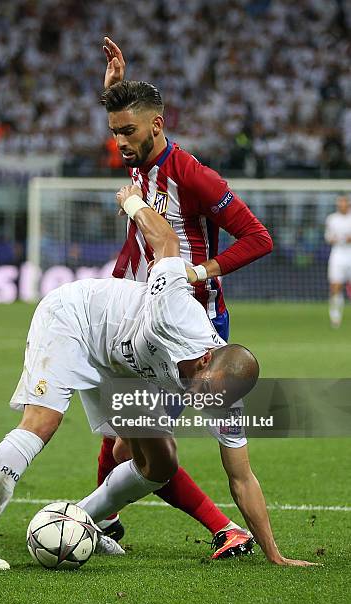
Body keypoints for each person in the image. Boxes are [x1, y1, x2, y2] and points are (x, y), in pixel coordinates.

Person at [0, 185, 315, 570]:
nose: (205, 404)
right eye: (205, 394)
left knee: (160, 462)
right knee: (43, 421)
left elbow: (242, 478)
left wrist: (275, 554)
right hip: (76, 319)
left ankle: (79, 519)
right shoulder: (177, 310)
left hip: (124, 365)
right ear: (205, 361)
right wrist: (134, 202)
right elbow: (167, 240)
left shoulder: (224, 396)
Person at [95, 38, 274, 548]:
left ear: (157, 126)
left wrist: (200, 272)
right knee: (121, 435)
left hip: (192, 329)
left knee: (141, 450)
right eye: (114, 132)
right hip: (137, 313)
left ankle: (221, 528)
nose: (119, 142)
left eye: (127, 132)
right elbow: (126, 121)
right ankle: (100, 523)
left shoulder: (193, 176)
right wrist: (113, 92)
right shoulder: (138, 159)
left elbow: (259, 237)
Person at [325, 195, 351, 328]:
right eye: (340, 202)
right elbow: (328, 237)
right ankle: (335, 317)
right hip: (338, 254)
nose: (342, 204)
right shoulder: (332, 219)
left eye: (344, 202)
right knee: (335, 286)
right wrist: (333, 239)